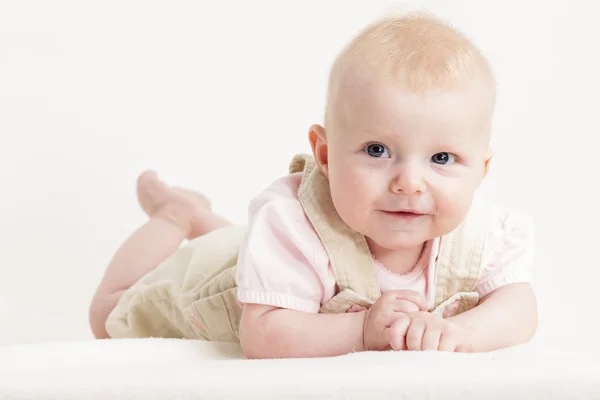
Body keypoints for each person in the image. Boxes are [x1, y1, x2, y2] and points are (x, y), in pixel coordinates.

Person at [89, 11, 537, 359]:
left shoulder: (481, 234)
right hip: (204, 283)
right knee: (106, 316)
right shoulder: (291, 223)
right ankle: (177, 214)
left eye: (442, 158)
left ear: (481, 169)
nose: (408, 183)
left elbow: (520, 307)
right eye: (378, 151)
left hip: (268, 261)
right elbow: (263, 334)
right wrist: (359, 330)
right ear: (324, 155)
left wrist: (463, 333)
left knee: (246, 245)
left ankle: (209, 221)